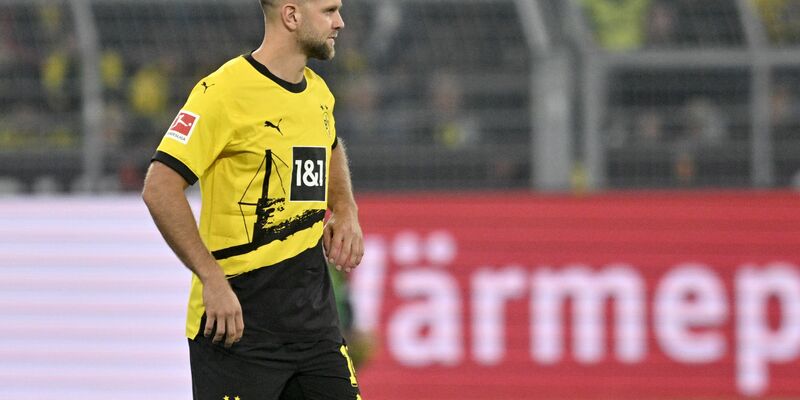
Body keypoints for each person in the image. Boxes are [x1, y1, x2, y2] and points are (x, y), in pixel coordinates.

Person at [141, 1, 364, 399]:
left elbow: (330, 145)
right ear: (292, 16)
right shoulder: (223, 92)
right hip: (237, 330)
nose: (340, 22)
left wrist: (345, 208)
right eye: (329, 10)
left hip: (315, 332)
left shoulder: (318, 93)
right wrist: (211, 279)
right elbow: (160, 187)